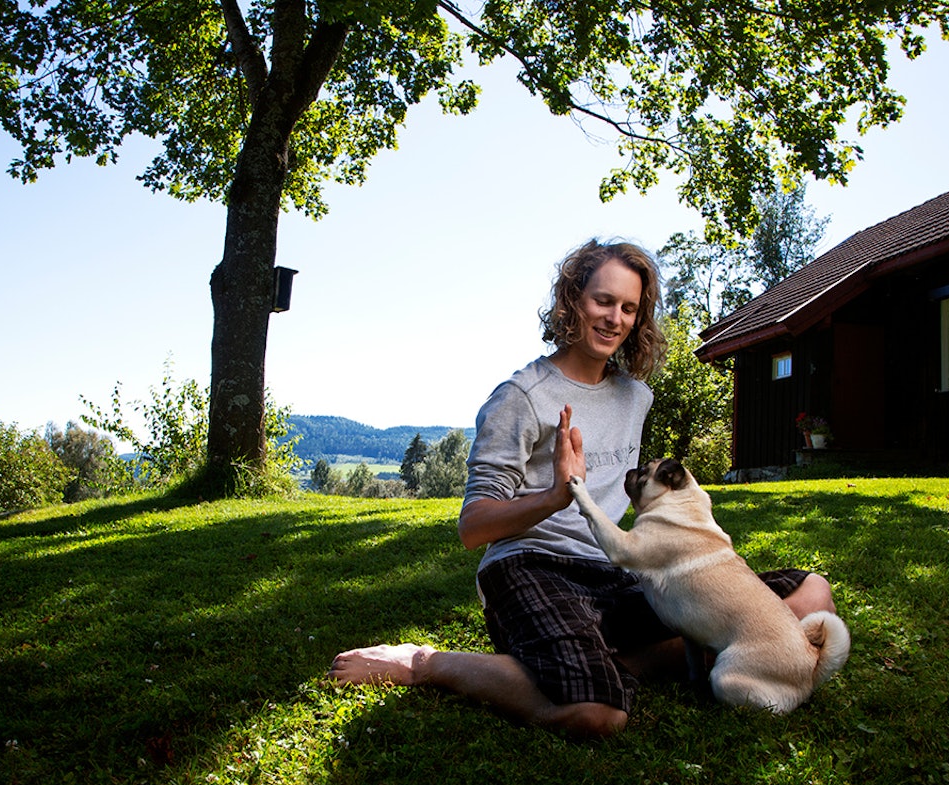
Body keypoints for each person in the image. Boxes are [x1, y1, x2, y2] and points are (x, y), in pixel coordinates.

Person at [329, 239, 836, 738]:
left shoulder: (635, 397)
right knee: (598, 713)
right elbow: (473, 526)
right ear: (572, 300)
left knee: (812, 595)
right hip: (532, 568)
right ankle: (425, 663)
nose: (615, 317)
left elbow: (637, 512)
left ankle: (615, 658)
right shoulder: (521, 397)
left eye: (629, 308)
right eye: (603, 300)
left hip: (616, 574)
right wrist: (556, 494)